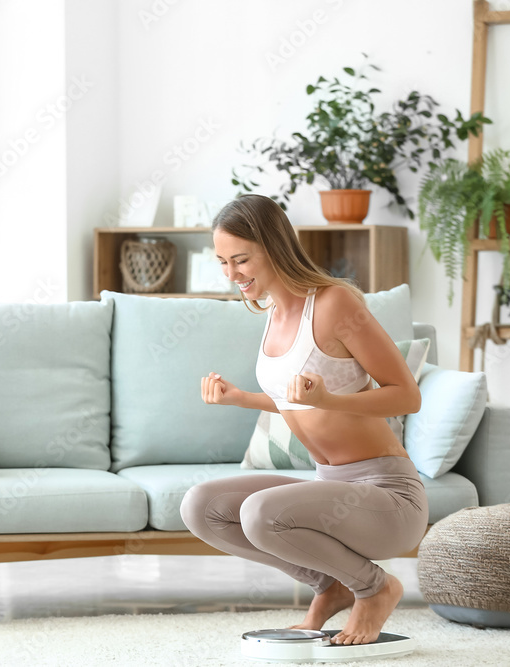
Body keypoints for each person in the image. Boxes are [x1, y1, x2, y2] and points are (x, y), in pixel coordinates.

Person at [179, 194, 428, 646]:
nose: (231, 275)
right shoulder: (274, 313)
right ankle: (330, 584)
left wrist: (330, 399)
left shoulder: (334, 303)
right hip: (330, 488)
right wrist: (242, 399)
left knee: (260, 512)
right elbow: (298, 403)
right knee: (201, 506)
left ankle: (375, 588)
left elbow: (407, 396)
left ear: (274, 247)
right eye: (222, 262)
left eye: (241, 260)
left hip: (386, 498)